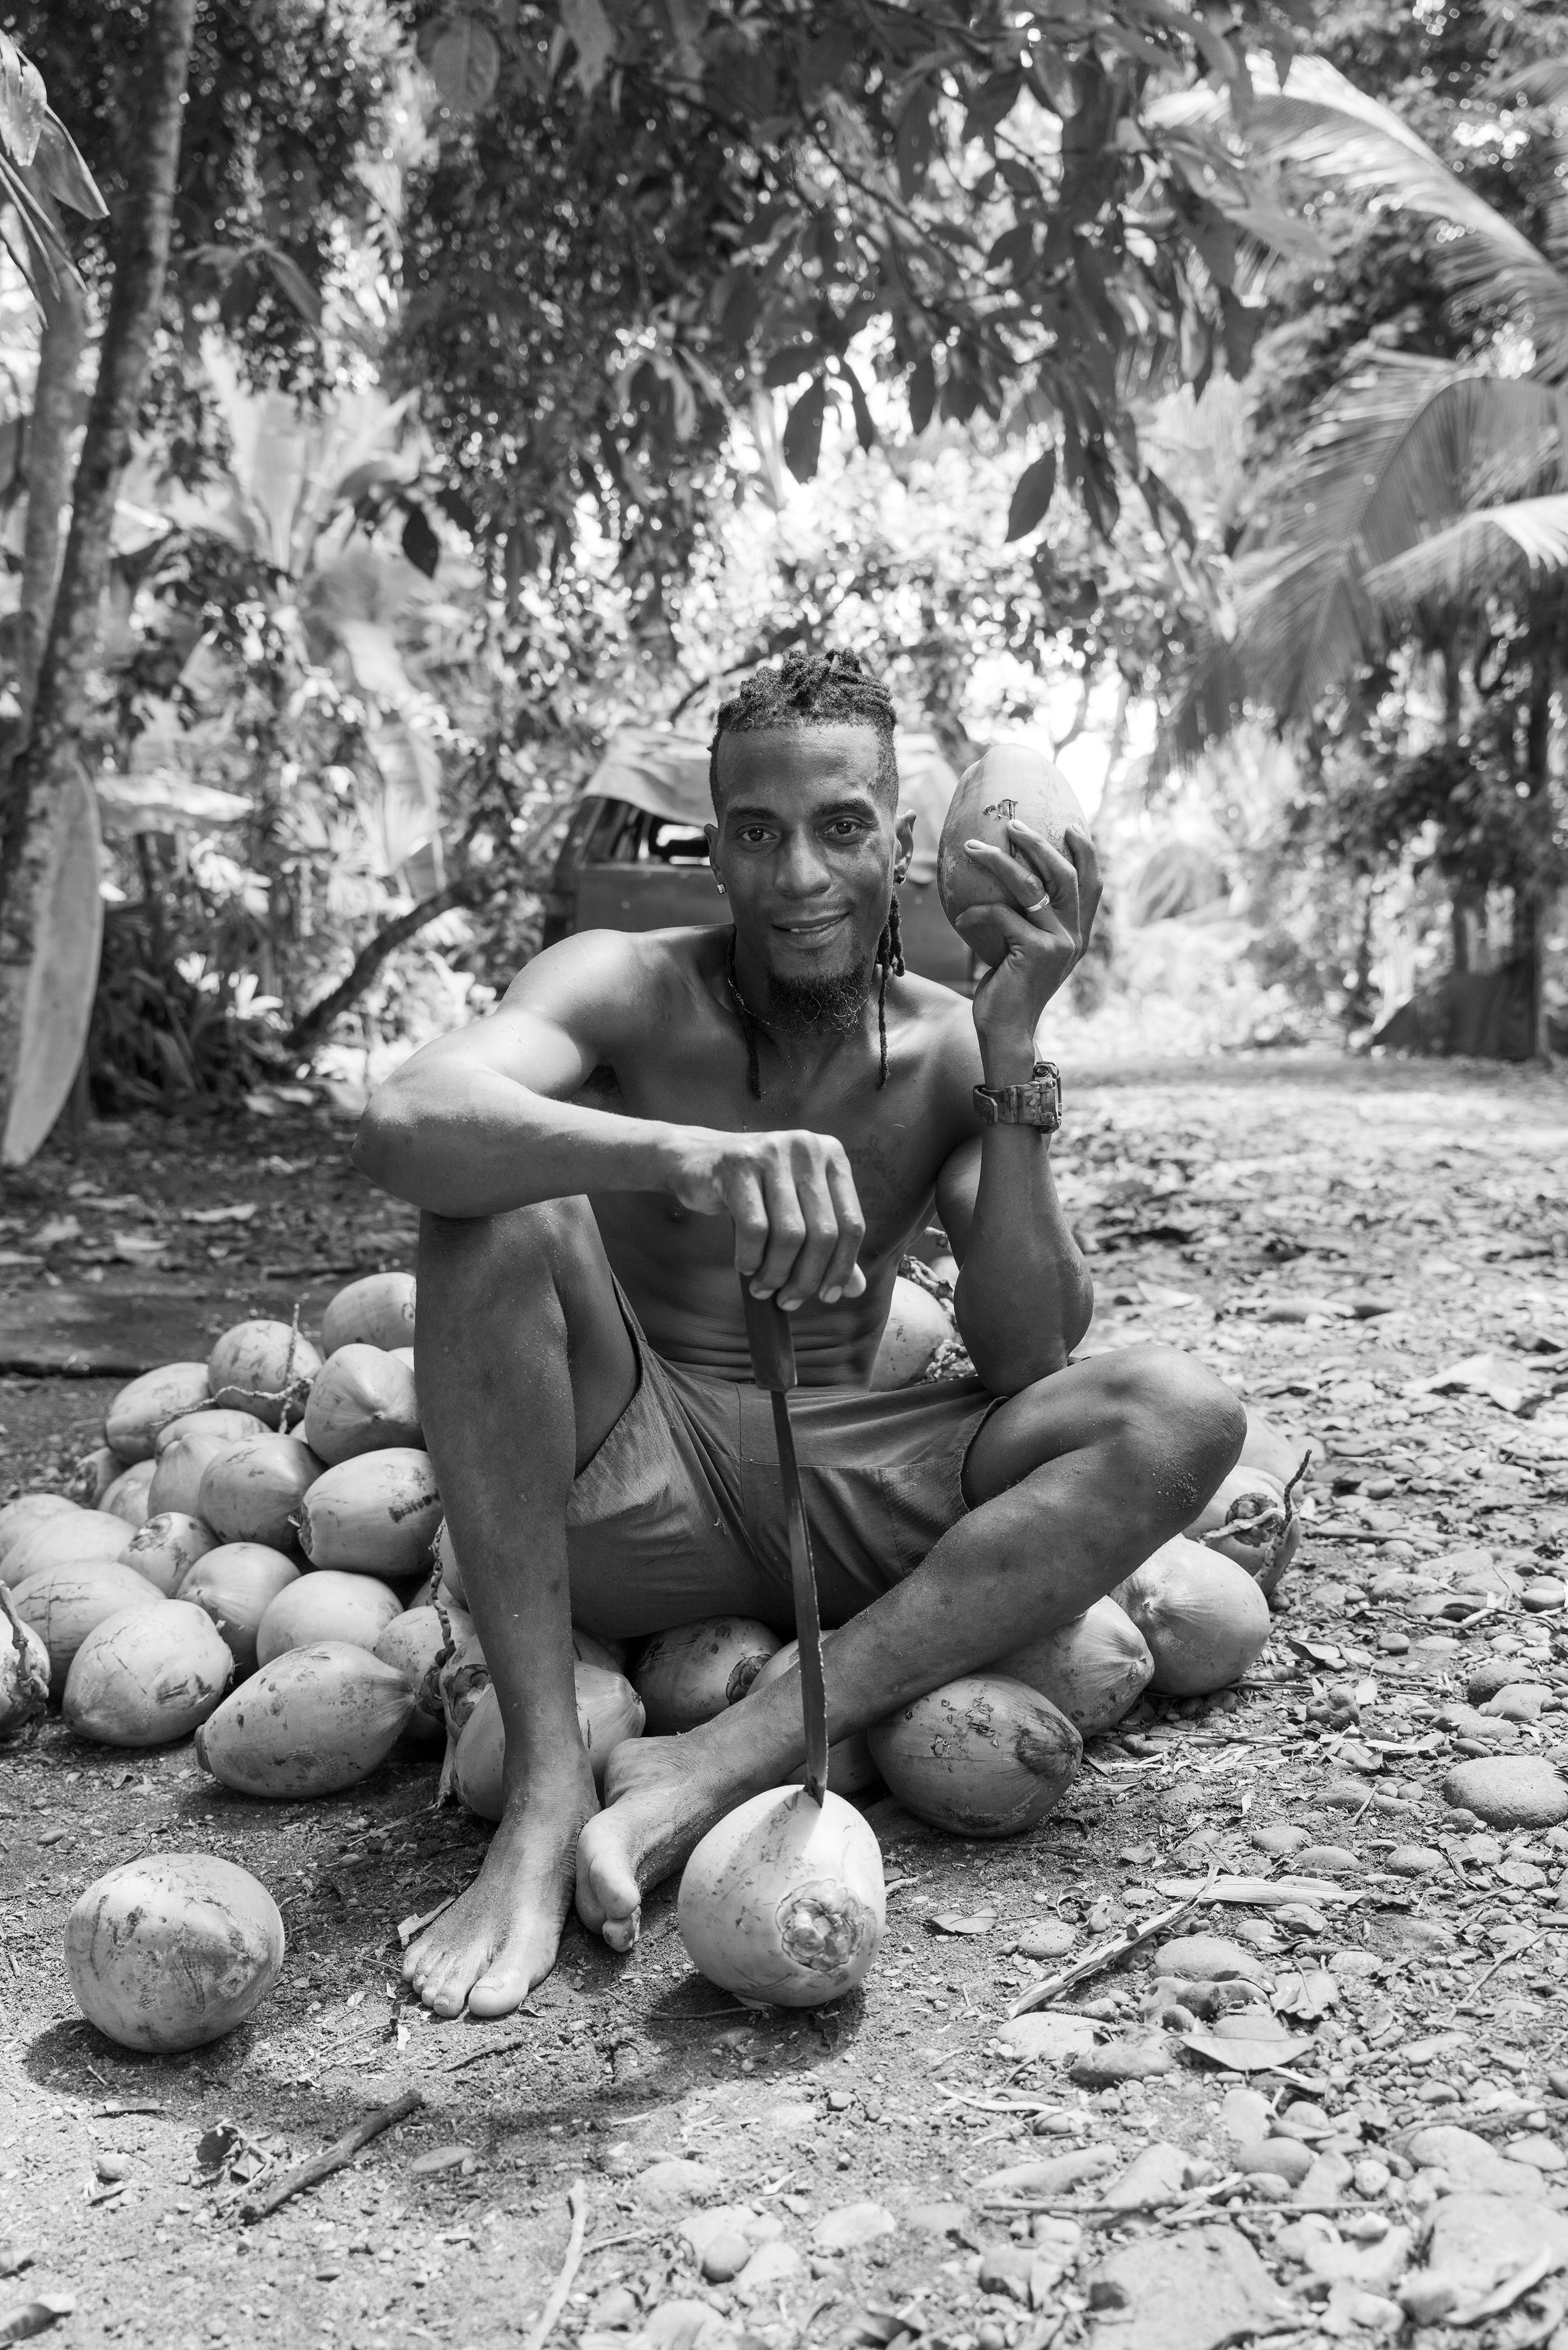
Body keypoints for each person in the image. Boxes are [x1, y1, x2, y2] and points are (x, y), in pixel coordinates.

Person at [353, 649, 1246, 2020]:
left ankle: (719, 1758)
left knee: (1176, 1412)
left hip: (846, 1492)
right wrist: (683, 1158)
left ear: (896, 841)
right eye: (756, 836)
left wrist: (1012, 1057)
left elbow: (1022, 1353)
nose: (798, 878)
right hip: (622, 1469)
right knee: (489, 1213)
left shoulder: (950, 1044)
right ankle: (543, 1796)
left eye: (839, 829)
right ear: (714, 849)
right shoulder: (625, 984)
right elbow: (409, 1122)